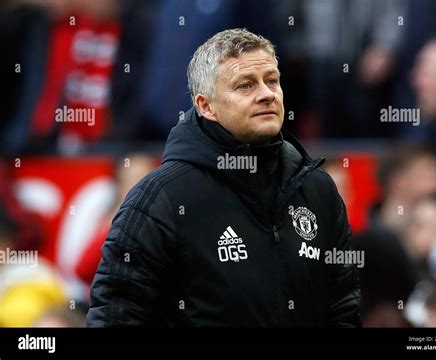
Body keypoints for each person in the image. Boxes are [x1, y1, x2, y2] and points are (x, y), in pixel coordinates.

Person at [86, 29, 361, 327]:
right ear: (206, 106)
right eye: (245, 85)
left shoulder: (318, 190)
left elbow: (343, 309)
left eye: (272, 81)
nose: (267, 93)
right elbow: (114, 315)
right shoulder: (160, 199)